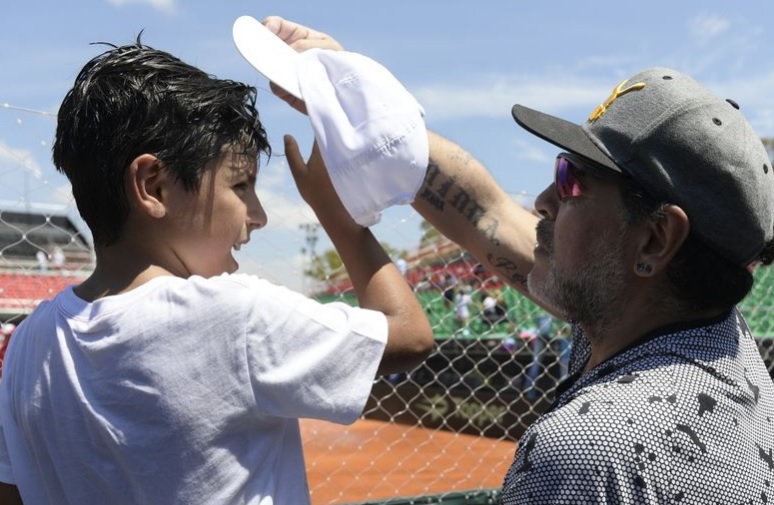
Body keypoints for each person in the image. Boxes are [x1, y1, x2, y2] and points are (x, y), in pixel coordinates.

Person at [263, 16, 774, 503]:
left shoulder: (585, 449)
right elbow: (489, 213)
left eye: (574, 181)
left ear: (655, 242)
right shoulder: (724, 345)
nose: (544, 201)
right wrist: (356, 99)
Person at [0, 37, 433, 505]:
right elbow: (410, 335)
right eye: (240, 185)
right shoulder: (233, 315)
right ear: (154, 186)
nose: (259, 214)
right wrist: (335, 214)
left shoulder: (29, 344)